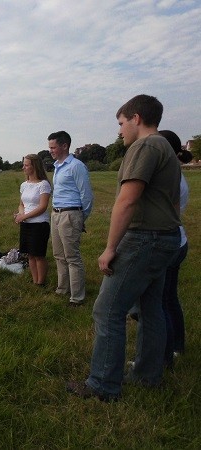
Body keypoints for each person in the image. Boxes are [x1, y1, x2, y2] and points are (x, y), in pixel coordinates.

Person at [67, 94, 181, 402]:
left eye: (121, 123)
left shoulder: (144, 146)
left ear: (136, 119)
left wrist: (110, 247)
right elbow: (170, 201)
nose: (119, 131)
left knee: (107, 310)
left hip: (144, 238)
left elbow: (128, 199)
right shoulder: (166, 148)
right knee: (150, 308)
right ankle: (147, 376)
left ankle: (103, 385)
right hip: (165, 236)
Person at [48, 131, 93, 306]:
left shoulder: (76, 166)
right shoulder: (58, 166)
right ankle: (62, 289)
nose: (50, 150)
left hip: (70, 214)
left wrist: (81, 218)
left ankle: (77, 297)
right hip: (56, 213)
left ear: (64, 146)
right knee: (59, 255)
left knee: (72, 257)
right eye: (50, 147)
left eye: (53, 147)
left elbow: (86, 195)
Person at [158, 130, 192, 366]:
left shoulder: (170, 177)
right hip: (178, 240)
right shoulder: (177, 174)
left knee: (160, 302)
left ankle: (166, 353)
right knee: (169, 298)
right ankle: (176, 345)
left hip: (167, 243)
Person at [14, 154, 52, 286]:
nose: (23, 167)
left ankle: (41, 283)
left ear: (34, 166)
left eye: (26, 165)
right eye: (23, 164)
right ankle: (35, 281)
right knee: (30, 255)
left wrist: (23, 216)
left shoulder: (43, 184)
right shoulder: (24, 185)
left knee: (38, 255)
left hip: (39, 224)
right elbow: (21, 204)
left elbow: (42, 207)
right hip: (26, 224)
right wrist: (20, 214)